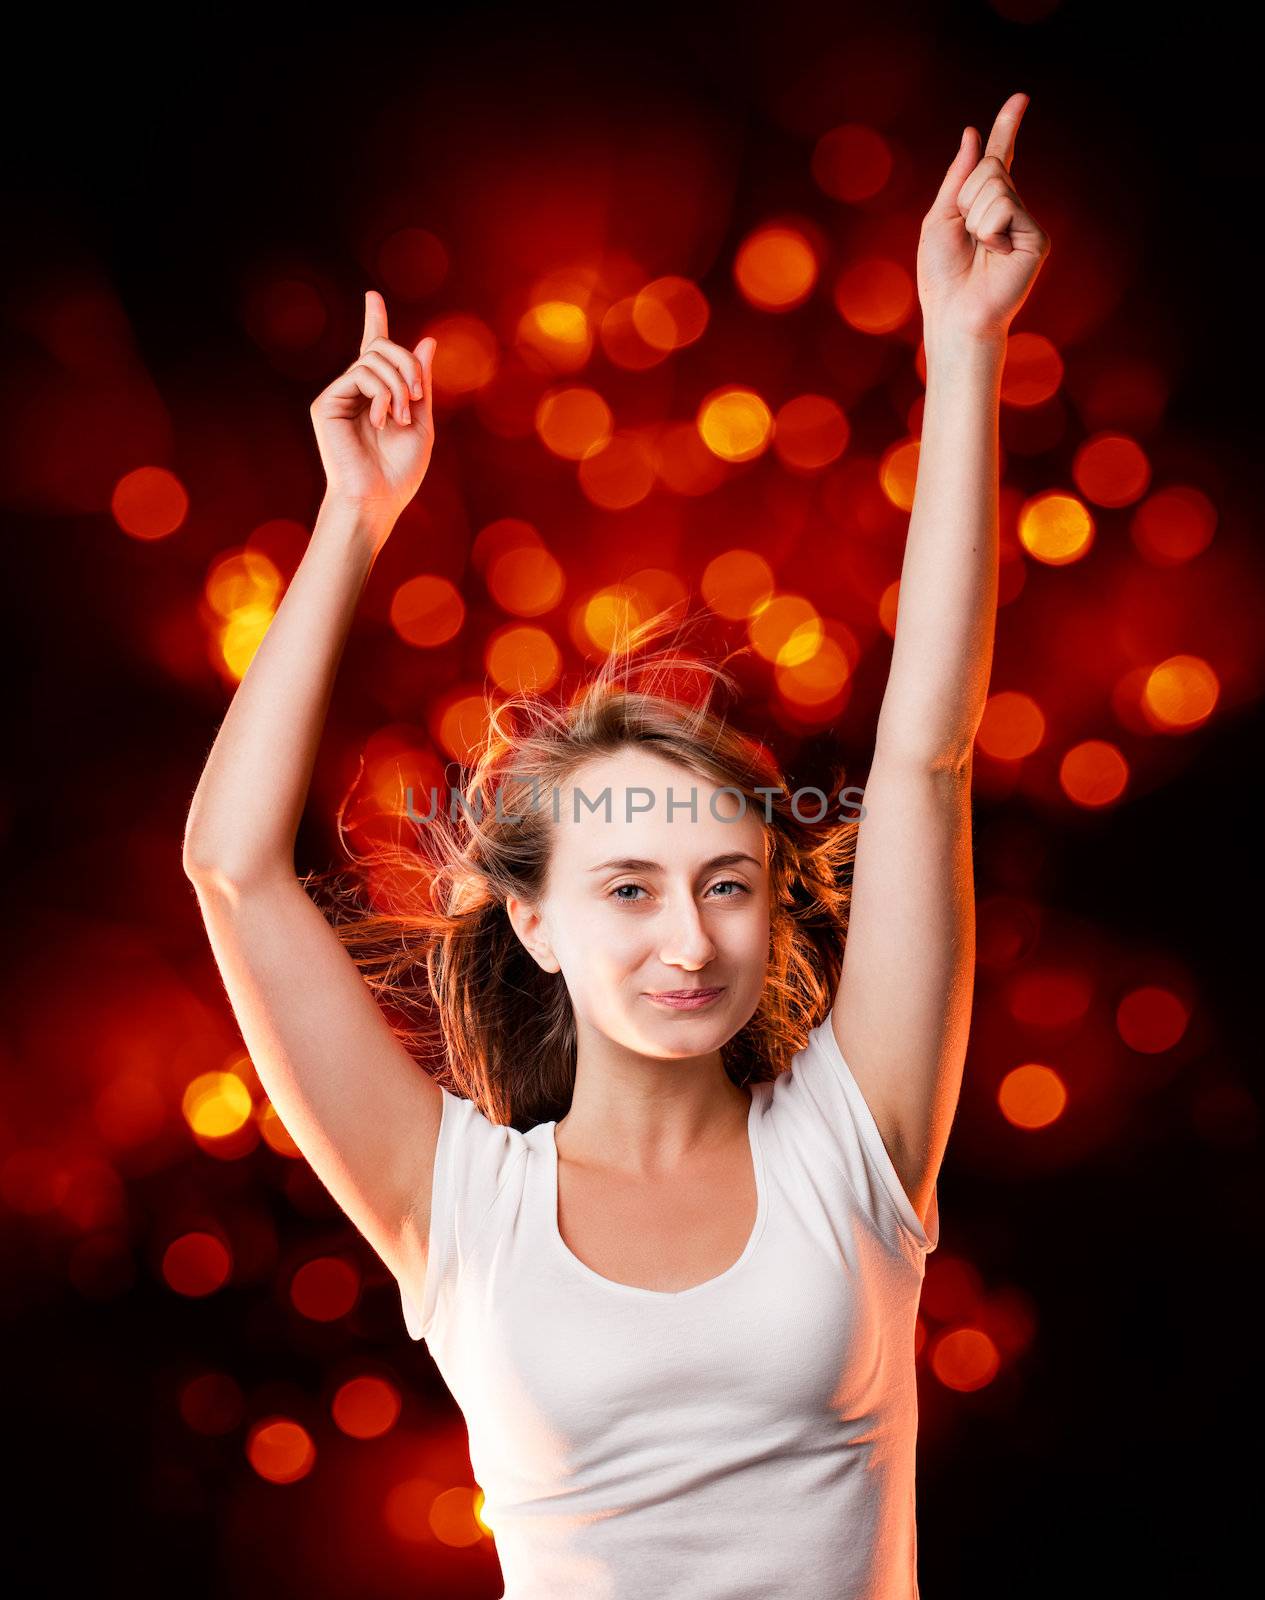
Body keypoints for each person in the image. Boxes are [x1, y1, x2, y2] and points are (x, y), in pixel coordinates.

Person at [182, 92, 1049, 1599]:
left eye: (727, 884)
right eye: (629, 891)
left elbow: (923, 757)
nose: (687, 937)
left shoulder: (857, 1142)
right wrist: (353, 517)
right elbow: (231, 867)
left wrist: (963, 350)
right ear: (535, 924)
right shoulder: (453, 1206)